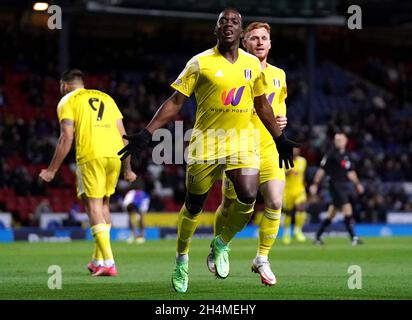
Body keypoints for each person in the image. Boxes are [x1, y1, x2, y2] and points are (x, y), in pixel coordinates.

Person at [118, 9, 299, 293]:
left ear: (240, 33)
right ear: (216, 30)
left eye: (234, 22)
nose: (228, 25)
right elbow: (176, 102)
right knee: (194, 206)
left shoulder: (253, 65)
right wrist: (147, 132)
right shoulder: (199, 63)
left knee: (249, 197)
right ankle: (181, 259)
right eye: (222, 22)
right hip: (206, 143)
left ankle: (221, 242)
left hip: (241, 144)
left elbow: (263, 105)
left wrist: (280, 138)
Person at [206, 22, 288, 286]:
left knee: (275, 201)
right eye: (254, 38)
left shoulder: (279, 74)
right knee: (233, 205)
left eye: (264, 38)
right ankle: (220, 246)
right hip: (240, 147)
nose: (260, 42)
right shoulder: (236, 71)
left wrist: (282, 121)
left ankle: (261, 258)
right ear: (244, 43)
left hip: (269, 147)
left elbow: (279, 104)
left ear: (271, 43)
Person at [39, 69, 136, 276]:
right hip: (114, 156)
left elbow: (66, 137)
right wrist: (128, 168)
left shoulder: (67, 101)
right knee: (104, 204)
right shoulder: (107, 98)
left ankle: (109, 263)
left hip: (91, 155)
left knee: (92, 206)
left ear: (65, 85)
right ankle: (98, 260)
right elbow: (124, 136)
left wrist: (51, 170)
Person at [309, 131, 364, 245]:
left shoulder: (347, 155)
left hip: (344, 186)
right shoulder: (331, 154)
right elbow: (321, 170)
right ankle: (354, 237)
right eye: (336, 140)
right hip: (334, 185)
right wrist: (315, 184)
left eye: (340, 139)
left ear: (346, 141)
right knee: (347, 209)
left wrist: (357, 184)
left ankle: (317, 237)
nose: (338, 142)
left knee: (331, 213)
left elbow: (350, 172)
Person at [282, 148, 308, 244]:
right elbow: (280, 174)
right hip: (287, 191)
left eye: (297, 150)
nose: (296, 152)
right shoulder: (284, 161)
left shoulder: (303, 161)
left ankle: (298, 231)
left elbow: (303, 174)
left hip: (299, 190)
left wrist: (305, 185)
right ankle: (287, 233)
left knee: (300, 207)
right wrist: (288, 172)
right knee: (288, 213)